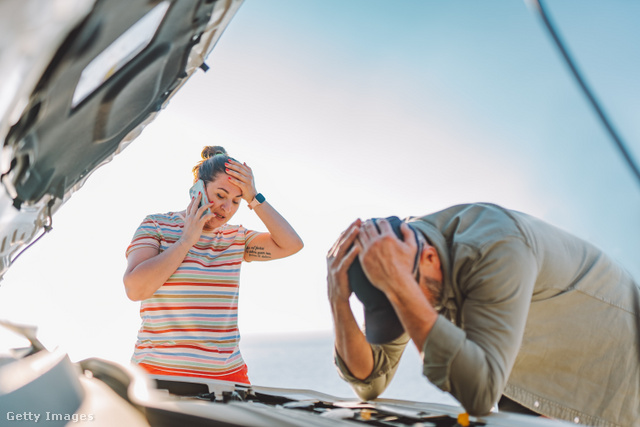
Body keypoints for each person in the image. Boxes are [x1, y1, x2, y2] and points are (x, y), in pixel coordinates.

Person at [327, 203, 640, 426]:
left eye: (404, 293)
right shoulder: (401, 256)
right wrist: (338, 300)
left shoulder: (497, 248)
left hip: (612, 355)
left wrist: (400, 288)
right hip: (517, 361)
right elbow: (371, 382)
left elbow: (478, 394)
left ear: (431, 257)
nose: (403, 309)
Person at [124, 146, 303, 384]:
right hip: (157, 375)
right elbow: (136, 290)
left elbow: (292, 244)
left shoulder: (237, 238)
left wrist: (255, 197)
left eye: (237, 201)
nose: (227, 208)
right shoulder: (156, 225)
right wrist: (187, 240)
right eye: (220, 195)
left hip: (228, 379)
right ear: (198, 188)